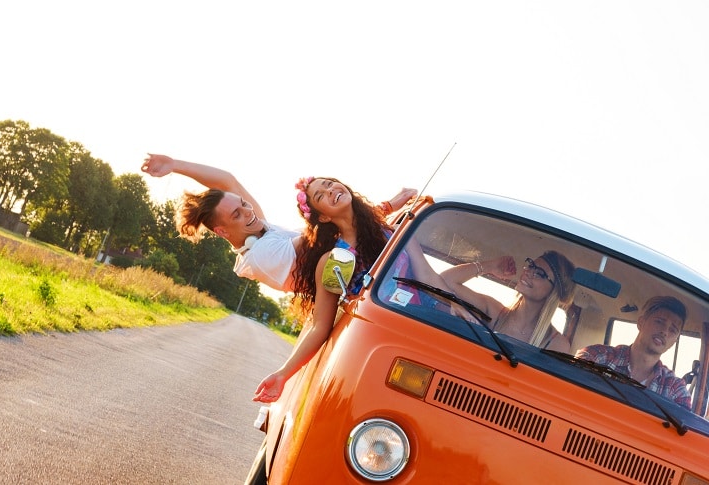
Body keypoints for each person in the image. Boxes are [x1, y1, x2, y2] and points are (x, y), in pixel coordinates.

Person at [141, 154, 416, 292]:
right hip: (359, 285)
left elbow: (227, 180)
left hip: (364, 266)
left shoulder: (259, 230)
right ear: (222, 231)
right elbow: (326, 233)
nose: (248, 212)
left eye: (243, 204)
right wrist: (387, 206)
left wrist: (175, 165)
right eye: (236, 214)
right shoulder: (262, 255)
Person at [252, 176, 397, 403]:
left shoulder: (387, 232)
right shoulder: (335, 260)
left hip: (430, 317)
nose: (330, 190)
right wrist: (283, 374)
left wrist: (474, 267)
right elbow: (321, 326)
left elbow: (428, 276)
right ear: (324, 216)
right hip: (386, 338)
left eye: (329, 184)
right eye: (321, 195)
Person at [439, 251, 576, 352]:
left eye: (539, 273)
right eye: (531, 265)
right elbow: (444, 281)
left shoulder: (556, 343)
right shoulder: (494, 311)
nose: (528, 272)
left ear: (554, 291)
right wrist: (489, 266)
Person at [575, 296, 692, 410]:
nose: (665, 332)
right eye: (659, 322)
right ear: (641, 322)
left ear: (674, 342)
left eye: (672, 330)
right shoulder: (597, 357)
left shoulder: (675, 389)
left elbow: (682, 425)